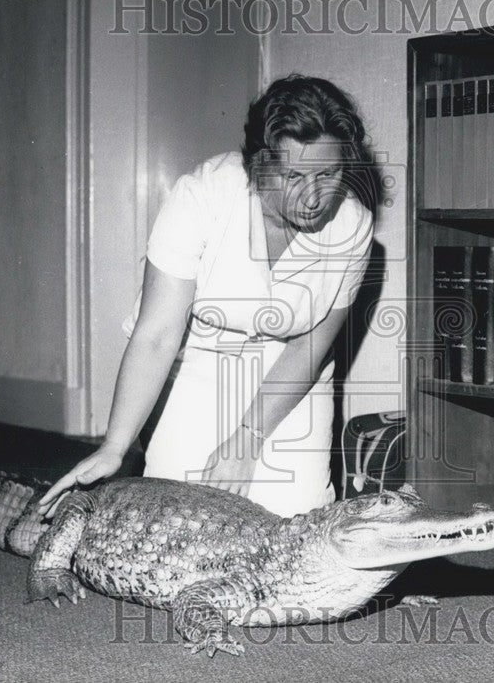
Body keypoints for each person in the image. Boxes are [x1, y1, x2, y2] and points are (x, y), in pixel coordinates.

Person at [38, 74, 375, 519]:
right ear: (260, 166)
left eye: (329, 174)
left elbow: (309, 345)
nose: (313, 197)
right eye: (293, 175)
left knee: (295, 524)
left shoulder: (352, 223)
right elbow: (157, 335)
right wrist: (114, 446)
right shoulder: (200, 195)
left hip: (289, 373)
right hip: (197, 358)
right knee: (181, 521)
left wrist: (248, 437)